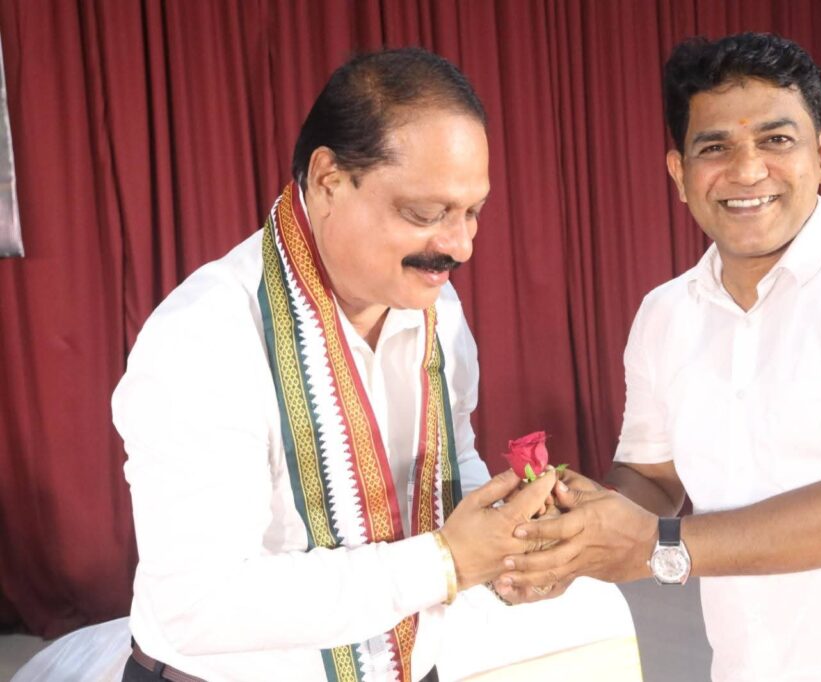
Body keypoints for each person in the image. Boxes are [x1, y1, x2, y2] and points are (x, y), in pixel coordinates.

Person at [497, 32, 821, 681]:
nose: (746, 171)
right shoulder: (665, 313)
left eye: (776, 140)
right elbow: (653, 480)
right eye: (714, 147)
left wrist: (655, 545)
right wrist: (575, 529)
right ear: (679, 173)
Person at [112, 48, 561, 682]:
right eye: (426, 214)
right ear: (328, 180)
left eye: (473, 213)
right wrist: (445, 563)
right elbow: (198, 605)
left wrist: (507, 546)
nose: (459, 246)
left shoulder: (437, 307)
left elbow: (447, 463)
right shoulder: (205, 336)